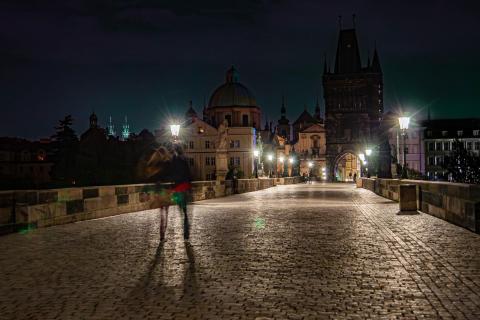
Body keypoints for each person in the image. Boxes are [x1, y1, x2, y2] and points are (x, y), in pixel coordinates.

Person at [145, 147, 173, 241]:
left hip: (157, 191)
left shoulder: (154, 164)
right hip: (166, 190)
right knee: (166, 213)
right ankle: (163, 234)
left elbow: (150, 178)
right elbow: (170, 176)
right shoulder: (166, 163)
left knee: (162, 214)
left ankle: (161, 235)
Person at [170, 144, 193, 241]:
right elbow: (189, 174)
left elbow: (171, 174)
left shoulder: (174, 160)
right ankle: (186, 229)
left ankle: (185, 225)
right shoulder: (184, 160)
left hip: (178, 187)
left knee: (181, 210)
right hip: (185, 186)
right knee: (185, 210)